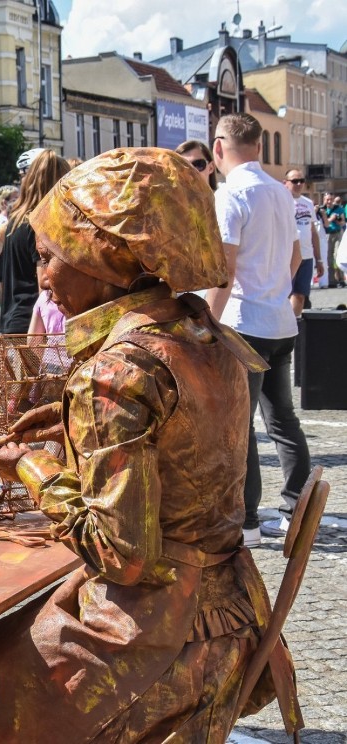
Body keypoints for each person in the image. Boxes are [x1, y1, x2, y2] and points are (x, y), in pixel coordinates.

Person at [0, 148, 284, 743]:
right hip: (230, 619)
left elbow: (121, 554)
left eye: (49, 259)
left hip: (157, 643)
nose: (43, 281)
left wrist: (30, 467)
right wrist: (76, 427)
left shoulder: (116, 370)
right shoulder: (199, 332)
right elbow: (183, 451)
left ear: (100, 255)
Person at [207, 113, 311, 546]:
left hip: (245, 324)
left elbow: (224, 271)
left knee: (239, 425)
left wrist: (206, 321)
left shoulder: (231, 194)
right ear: (260, 147)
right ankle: (298, 508)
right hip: (279, 319)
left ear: (217, 149)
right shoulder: (279, 193)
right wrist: (277, 290)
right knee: (283, 418)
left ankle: (248, 521)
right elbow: (295, 257)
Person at [0, 149, 70, 334]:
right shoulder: (41, 223)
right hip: (33, 326)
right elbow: (45, 281)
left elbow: (1, 278)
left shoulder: (16, 221)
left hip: (12, 320)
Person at [284, 169, 324, 316]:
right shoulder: (282, 202)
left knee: (300, 295)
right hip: (288, 255)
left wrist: (319, 259)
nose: (299, 184)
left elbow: (313, 232)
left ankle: (295, 327)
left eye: (302, 180)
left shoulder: (308, 203)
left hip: (306, 256)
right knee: (285, 295)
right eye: (295, 181)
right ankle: (284, 327)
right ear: (285, 183)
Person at [320, 192, 345, 287]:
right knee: (328, 259)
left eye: (330, 199)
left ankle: (341, 279)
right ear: (324, 200)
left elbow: (342, 222)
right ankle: (332, 281)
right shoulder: (322, 209)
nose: (329, 201)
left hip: (337, 234)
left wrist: (336, 219)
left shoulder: (338, 209)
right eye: (327, 199)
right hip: (326, 235)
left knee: (337, 257)